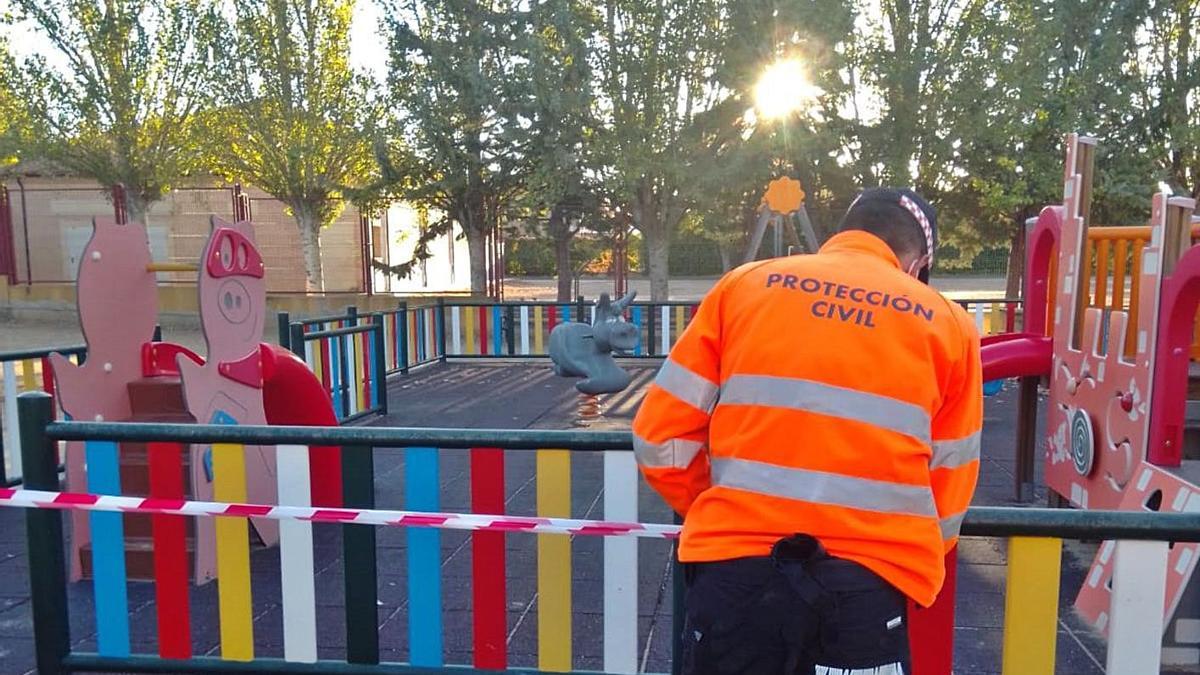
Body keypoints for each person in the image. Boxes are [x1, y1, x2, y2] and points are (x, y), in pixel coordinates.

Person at [632, 187, 983, 674]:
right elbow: (952, 477)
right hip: (865, 589)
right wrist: (908, 553)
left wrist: (721, 508)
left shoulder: (744, 287)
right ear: (917, 261)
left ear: (844, 230)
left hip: (736, 574)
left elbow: (660, 437)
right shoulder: (947, 324)